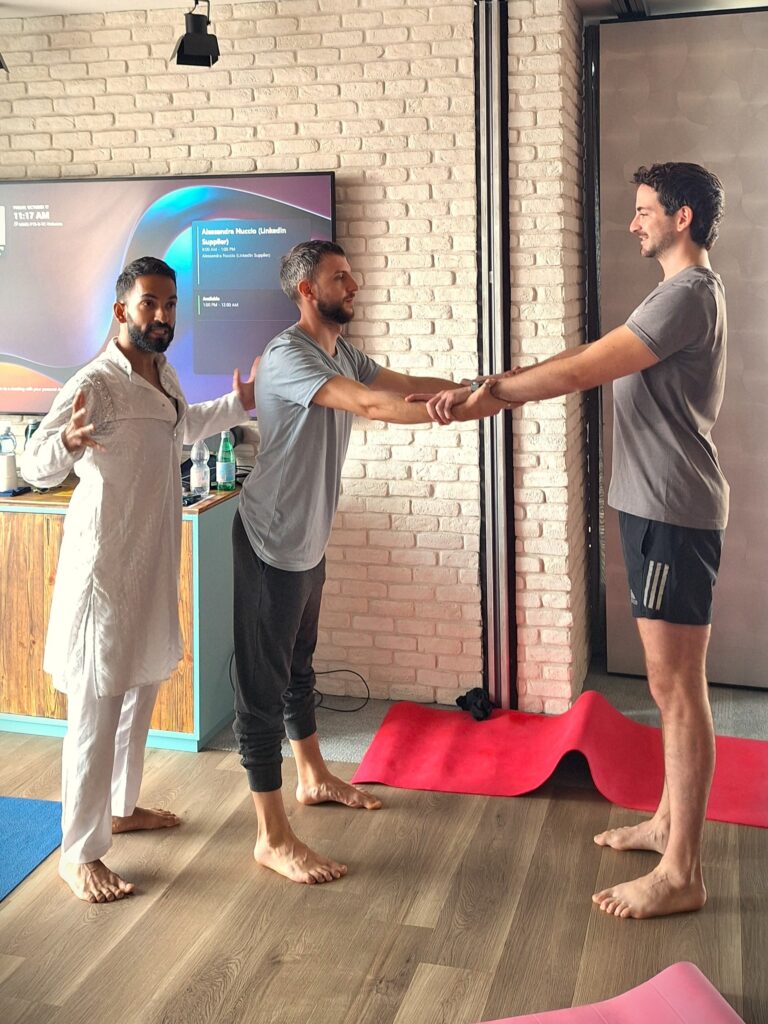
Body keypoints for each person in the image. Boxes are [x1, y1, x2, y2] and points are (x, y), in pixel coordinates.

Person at [413, 162, 728, 921]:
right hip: (656, 506)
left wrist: (491, 396)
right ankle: (667, 825)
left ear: (683, 216)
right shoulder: (676, 292)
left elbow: (585, 369)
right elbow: (590, 356)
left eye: (645, 210)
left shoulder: (687, 293)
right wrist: (496, 382)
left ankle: (683, 871)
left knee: (677, 687)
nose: (634, 222)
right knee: (668, 686)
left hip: (672, 512)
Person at [21, 256, 257, 904]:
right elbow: (35, 465)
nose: (161, 315)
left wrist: (239, 403)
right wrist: (66, 443)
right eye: (150, 302)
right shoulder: (94, 383)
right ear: (121, 309)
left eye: (170, 304)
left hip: (150, 565)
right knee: (95, 708)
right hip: (102, 573)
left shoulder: (162, 373)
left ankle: (121, 809)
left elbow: (183, 428)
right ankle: (78, 853)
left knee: (139, 691)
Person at [233, 239, 460, 884]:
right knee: (261, 687)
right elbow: (369, 404)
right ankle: (271, 837)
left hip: (308, 538)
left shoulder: (342, 351)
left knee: (300, 664)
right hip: (270, 540)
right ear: (307, 290)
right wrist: (459, 409)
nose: (353, 285)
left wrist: (477, 389)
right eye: (340, 277)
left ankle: (312, 776)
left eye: (351, 275)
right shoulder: (289, 355)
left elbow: (404, 386)